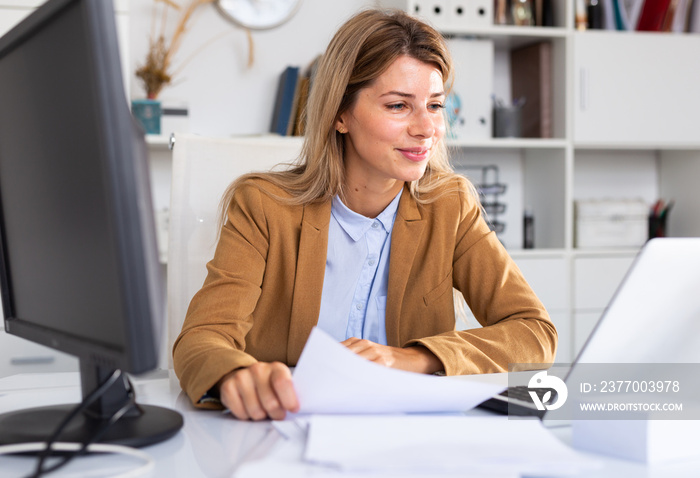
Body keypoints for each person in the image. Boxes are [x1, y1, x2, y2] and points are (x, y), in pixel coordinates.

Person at [173, 8, 557, 421]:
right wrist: (237, 376)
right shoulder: (263, 207)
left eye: (435, 105)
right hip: (280, 431)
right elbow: (202, 338)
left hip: (409, 438)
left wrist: (415, 358)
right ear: (340, 114)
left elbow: (534, 332)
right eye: (398, 106)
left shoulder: (450, 206)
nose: (427, 128)